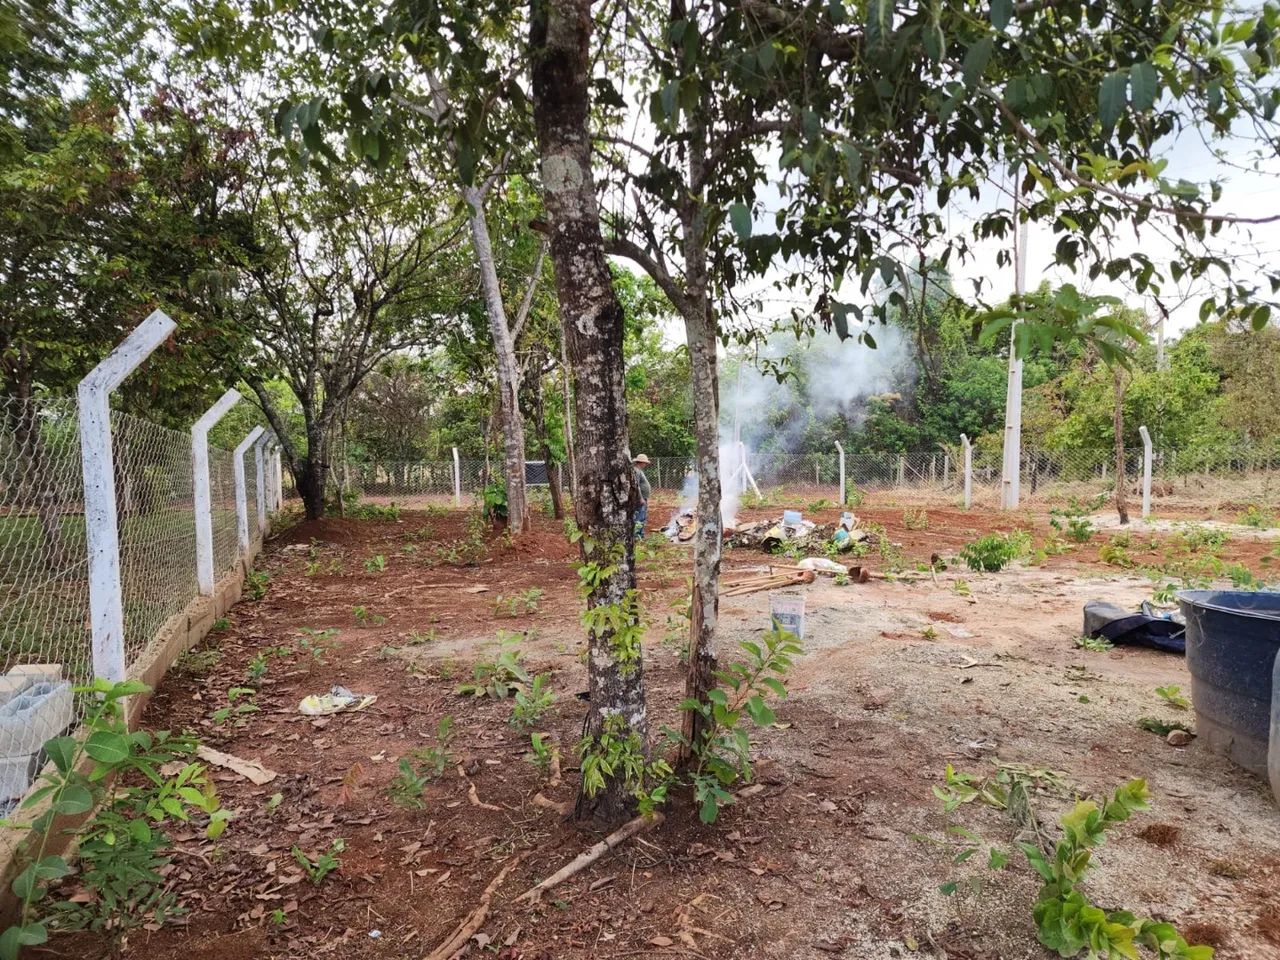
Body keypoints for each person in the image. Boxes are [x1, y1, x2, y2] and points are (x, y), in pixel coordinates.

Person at [632, 454, 651, 538]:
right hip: (641, 498)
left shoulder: (639, 470)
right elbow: (637, 485)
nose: (646, 465)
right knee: (640, 516)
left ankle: (641, 534)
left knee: (642, 516)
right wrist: (640, 498)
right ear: (641, 462)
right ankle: (637, 535)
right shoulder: (636, 470)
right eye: (645, 463)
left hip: (644, 497)